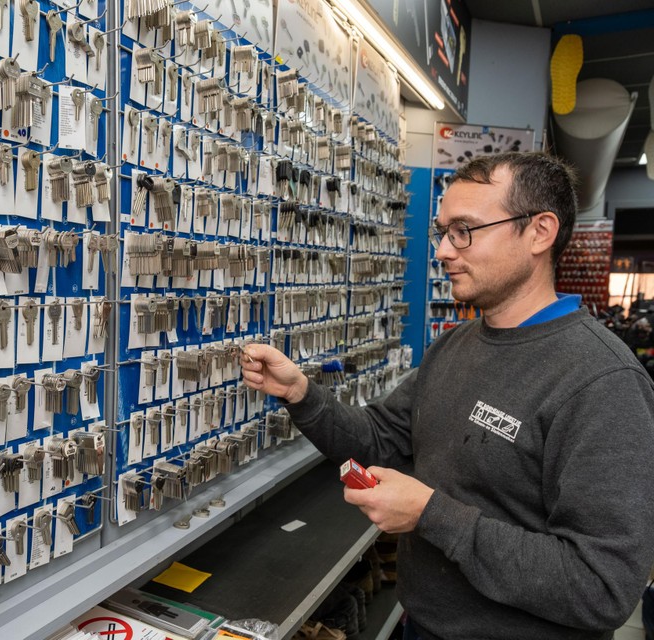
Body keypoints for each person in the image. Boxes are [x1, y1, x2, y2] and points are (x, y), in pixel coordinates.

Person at [242, 152, 654, 640]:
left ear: (540, 232)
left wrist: (429, 513)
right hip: (421, 624)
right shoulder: (457, 345)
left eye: (465, 230)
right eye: (444, 231)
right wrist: (300, 393)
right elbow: (379, 441)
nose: (443, 251)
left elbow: (602, 587)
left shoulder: (602, 382)